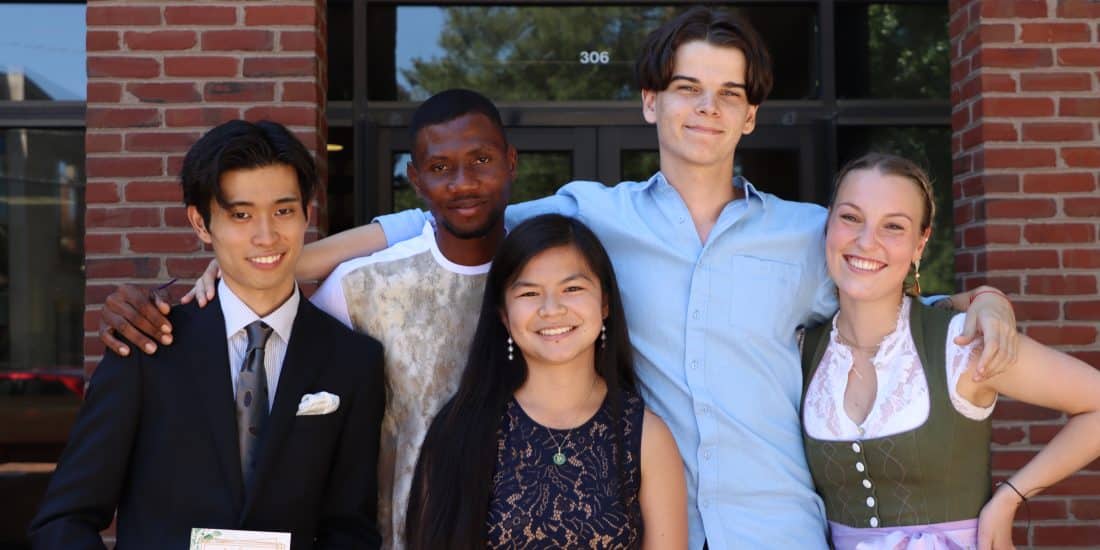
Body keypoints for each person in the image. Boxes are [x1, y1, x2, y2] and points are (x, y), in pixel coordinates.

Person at [98, 8, 1018, 549]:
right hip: (633, 522)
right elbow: (443, 217)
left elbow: (896, 297)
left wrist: (986, 299)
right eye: (687, 88)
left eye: (728, 93)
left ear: (750, 116)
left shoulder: (811, 234)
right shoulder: (593, 213)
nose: (705, 108)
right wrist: (250, 269)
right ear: (652, 101)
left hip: (772, 529)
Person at [30, 120, 385, 549]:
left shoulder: (352, 360)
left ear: (307, 213)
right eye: (241, 214)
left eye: (284, 211)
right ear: (201, 223)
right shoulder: (147, 348)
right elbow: (64, 520)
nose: (266, 235)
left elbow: (350, 528)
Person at [800, 153, 1100, 550]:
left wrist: (1009, 497)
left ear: (920, 244)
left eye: (893, 226)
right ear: (828, 225)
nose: (865, 241)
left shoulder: (960, 344)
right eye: (851, 217)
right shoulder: (805, 350)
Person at [405, 214, 687, 550]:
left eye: (572, 289)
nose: (551, 309)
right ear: (504, 316)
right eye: (529, 294)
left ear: (605, 302)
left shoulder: (646, 437)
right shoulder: (460, 428)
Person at [309, 89, 514, 549]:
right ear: (416, 180)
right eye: (440, 168)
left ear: (511, 162)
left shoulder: (550, 279)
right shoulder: (363, 286)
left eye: (481, 159)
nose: (463, 182)